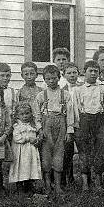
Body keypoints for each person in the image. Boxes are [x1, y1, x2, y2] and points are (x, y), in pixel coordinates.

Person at [33, 65, 74, 194]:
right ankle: (47, 185)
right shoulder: (41, 95)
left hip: (61, 124)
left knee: (58, 155)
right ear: (44, 79)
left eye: (54, 78)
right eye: (48, 79)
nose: (51, 81)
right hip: (46, 125)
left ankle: (57, 185)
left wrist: (69, 131)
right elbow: (36, 114)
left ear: (59, 77)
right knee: (46, 156)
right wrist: (40, 129)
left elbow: (71, 113)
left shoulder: (65, 94)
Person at [72, 60, 104, 191]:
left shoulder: (103, 89)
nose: (94, 74)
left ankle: (98, 181)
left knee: (99, 151)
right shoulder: (78, 90)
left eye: (96, 71)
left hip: (99, 121)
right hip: (84, 121)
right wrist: (77, 125)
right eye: (91, 71)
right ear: (84, 72)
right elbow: (76, 109)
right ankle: (85, 182)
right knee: (84, 152)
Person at [9, 102, 42, 195]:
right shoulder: (17, 126)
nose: (25, 116)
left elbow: (36, 137)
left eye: (27, 113)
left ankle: (29, 187)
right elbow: (17, 138)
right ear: (17, 116)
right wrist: (28, 138)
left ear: (31, 114)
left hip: (30, 152)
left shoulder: (32, 125)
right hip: (21, 152)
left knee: (30, 168)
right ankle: (20, 188)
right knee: (21, 167)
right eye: (22, 114)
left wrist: (36, 140)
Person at [61, 62, 83, 186]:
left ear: (78, 74)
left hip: (81, 124)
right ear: (63, 75)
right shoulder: (62, 91)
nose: (72, 75)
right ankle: (67, 179)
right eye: (69, 73)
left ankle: (86, 178)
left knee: (83, 151)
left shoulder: (83, 87)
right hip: (67, 125)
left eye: (74, 72)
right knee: (67, 152)